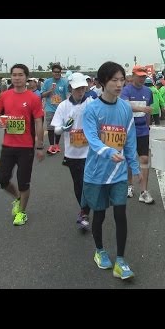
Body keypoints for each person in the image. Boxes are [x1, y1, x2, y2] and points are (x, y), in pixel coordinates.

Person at [82, 61, 141, 280]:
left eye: (121, 80)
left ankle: (121, 261)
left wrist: (134, 167)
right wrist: (108, 152)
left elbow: (130, 140)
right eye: (114, 80)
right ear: (102, 82)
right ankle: (99, 250)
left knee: (120, 214)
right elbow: (93, 139)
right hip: (96, 174)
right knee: (99, 215)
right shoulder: (92, 109)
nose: (119, 84)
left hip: (117, 173)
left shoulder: (125, 108)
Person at [0, 64, 45, 226]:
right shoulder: (4, 95)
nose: (17, 78)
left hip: (26, 147)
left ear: (26, 77)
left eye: (20, 75)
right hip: (8, 145)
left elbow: (38, 122)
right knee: (2, 179)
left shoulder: (33, 98)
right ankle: (17, 198)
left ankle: (22, 212)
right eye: (14, 75)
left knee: (23, 181)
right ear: (11, 77)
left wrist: (39, 146)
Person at [52, 72, 94, 229]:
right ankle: (84, 210)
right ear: (70, 88)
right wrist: (63, 128)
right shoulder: (63, 106)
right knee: (78, 184)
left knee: (88, 182)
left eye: (83, 88)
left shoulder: (91, 103)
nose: (81, 91)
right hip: (72, 153)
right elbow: (55, 129)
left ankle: (85, 211)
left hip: (89, 151)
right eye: (77, 88)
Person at [120, 65, 154, 204]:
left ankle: (144, 191)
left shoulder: (148, 91)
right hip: (128, 129)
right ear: (133, 75)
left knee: (144, 159)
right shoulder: (125, 90)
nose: (141, 78)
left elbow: (148, 111)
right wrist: (141, 108)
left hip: (142, 130)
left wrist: (148, 125)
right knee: (129, 159)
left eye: (144, 76)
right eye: (139, 76)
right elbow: (125, 106)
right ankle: (129, 185)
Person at [40, 64, 69, 155]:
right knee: (50, 128)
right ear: (52, 72)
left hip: (60, 109)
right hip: (50, 108)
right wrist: (50, 90)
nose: (56, 74)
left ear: (61, 73)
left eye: (58, 72)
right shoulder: (47, 82)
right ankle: (51, 145)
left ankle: (56, 144)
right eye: (55, 72)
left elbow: (67, 95)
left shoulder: (64, 82)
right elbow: (42, 95)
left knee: (58, 128)